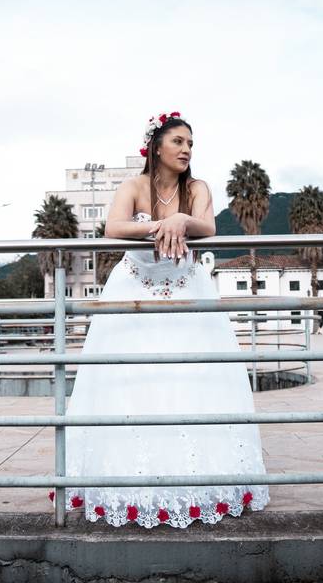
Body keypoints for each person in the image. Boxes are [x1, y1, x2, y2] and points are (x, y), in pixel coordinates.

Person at [62, 111, 268, 528]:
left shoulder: (198, 189)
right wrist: (160, 224)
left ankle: (199, 485)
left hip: (188, 295)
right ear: (156, 146)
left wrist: (182, 220)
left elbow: (206, 225)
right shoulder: (133, 185)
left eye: (191, 143)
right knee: (134, 384)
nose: (187, 149)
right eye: (178, 141)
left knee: (192, 382)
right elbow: (113, 229)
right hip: (132, 297)